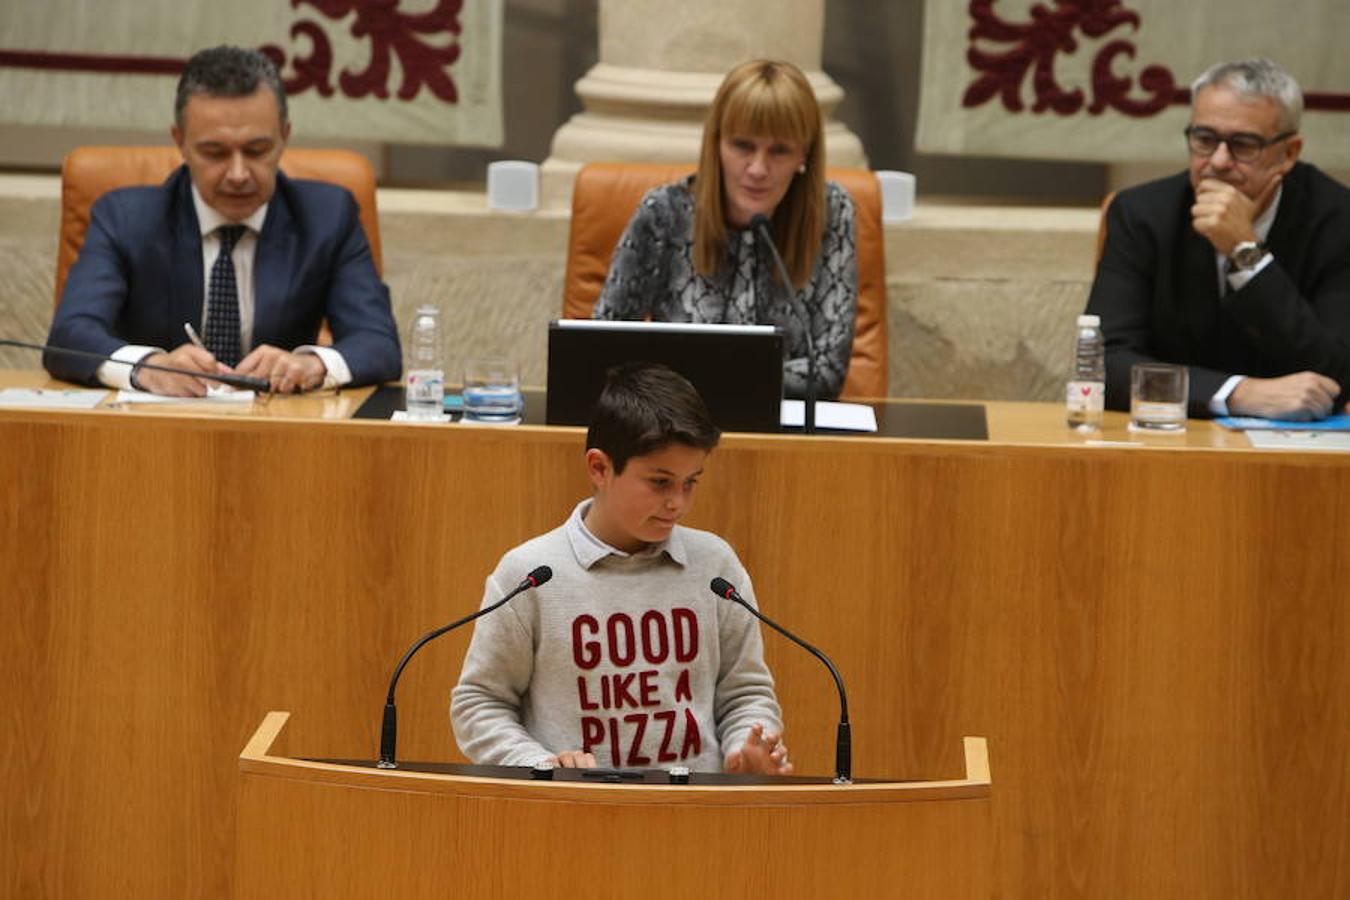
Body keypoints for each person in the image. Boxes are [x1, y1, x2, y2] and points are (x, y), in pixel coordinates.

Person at [452, 362, 791, 774]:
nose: (678, 503)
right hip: (574, 815)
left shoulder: (716, 568)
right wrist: (541, 764)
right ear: (599, 468)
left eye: (691, 482)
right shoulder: (532, 575)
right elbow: (479, 704)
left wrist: (745, 751)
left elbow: (745, 694)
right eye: (661, 482)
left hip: (696, 814)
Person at [44, 45, 401, 396]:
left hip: (280, 432)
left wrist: (314, 365)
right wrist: (146, 367)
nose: (238, 173)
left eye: (257, 150)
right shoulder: (125, 218)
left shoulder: (327, 216)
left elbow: (377, 343)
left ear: (285, 138)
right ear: (180, 143)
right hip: (154, 434)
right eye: (214, 152)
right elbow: (70, 335)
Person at [1086, 58, 1350, 420]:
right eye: (1205, 140)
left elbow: (1339, 372)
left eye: (1244, 145)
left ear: (1289, 153)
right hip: (1169, 441)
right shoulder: (1142, 215)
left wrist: (1248, 257)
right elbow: (1106, 365)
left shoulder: (1338, 220)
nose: (1219, 161)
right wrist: (1237, 393)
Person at [593, 59, 857, 401]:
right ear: (716, 144)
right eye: (743, 146)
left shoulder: (830, 212)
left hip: (785, 438)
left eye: (779, 150)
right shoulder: (664, 214)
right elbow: (602, 353)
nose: (758, 169)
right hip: (674, 434)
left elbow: (827, 372)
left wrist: (686, 374)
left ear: (803, 154)